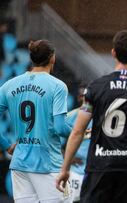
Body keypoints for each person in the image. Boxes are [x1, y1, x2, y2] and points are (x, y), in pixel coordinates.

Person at [56, 30, 127, 203]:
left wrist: (65, 168)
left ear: (113, 53)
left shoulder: (95, 87)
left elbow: (77, 131)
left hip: (99, 166)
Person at [0, 39, 72, 202]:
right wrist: (78, 131)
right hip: (47, 164)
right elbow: (60, 128)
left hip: (19, 164)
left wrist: (6, 145)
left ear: (32, 58)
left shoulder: (9, 85)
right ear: (52, 58)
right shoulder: (57, 86)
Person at [63, 85, 92, 203]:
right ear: (78, 97)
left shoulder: (101, 118)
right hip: (74, 172)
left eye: (86, 95)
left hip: (93, 172)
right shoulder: (69, 117)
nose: (83, 98)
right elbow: (54, 142)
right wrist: (67, 156)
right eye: (81, 95)